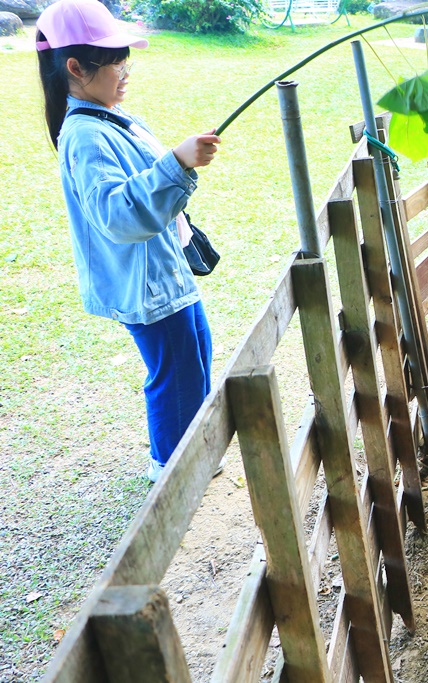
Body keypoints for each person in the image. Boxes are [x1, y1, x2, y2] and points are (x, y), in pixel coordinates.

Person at [36, 0, 222, 483]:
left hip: (163, 271)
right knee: (176, 376)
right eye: (115, 60)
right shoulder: (84, 135)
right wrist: (177, 163)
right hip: (144, 283)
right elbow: (118, 215)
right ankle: (173, 475)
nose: (124, 70)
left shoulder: (114, 118)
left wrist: (178, 161)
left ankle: (192, 456)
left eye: (125, 58)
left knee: (196, 355)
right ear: (75, 67)